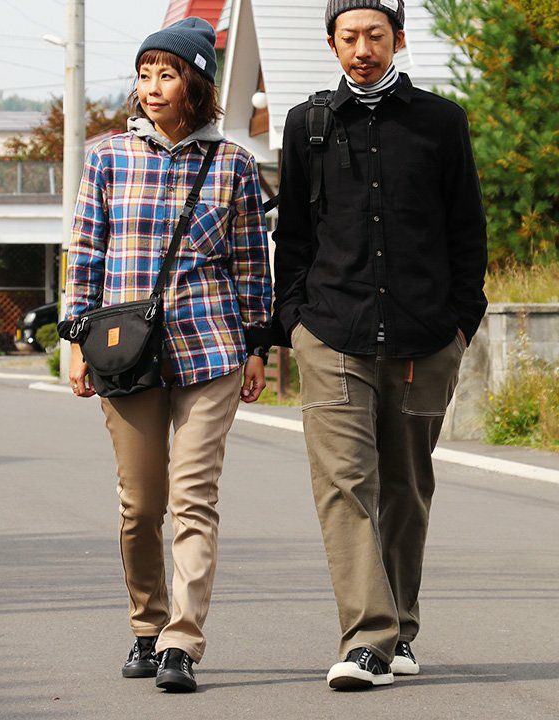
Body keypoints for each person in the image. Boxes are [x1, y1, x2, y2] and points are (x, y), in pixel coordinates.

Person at [273, 0, 488, 690]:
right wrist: (294, 323)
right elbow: (293, 237)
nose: (362, 49)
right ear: (331, 44)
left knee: (405, 487)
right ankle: (368, 637)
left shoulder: (441, 122)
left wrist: (461, 323)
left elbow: (467, 229)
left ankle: (399, 629)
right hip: (332, 331)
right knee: (344, 485)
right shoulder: (307, 123)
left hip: (426, 337)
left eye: (374, 35)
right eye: (349, 37)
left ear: (397, 38)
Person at [64, 17, 272, 693]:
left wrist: (258, 345)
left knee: (193, 497)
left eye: (167, 74)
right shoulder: (107, 157)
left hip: (210, 347)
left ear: (196, 84)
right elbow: (86, 250)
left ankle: (182, 641)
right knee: (140, 505)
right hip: (125, 352)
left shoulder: (233, 164)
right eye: (144, 74)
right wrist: (76, 339)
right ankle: (146, 624)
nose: (152, 87)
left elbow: (251, 263)